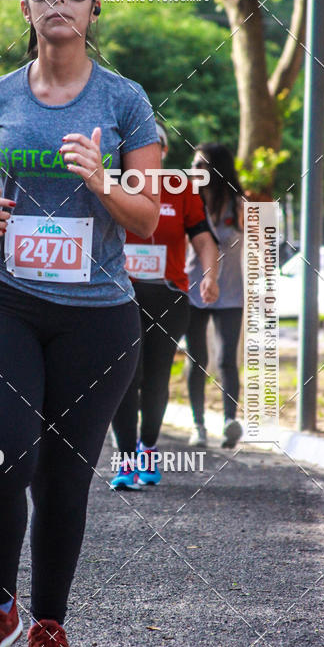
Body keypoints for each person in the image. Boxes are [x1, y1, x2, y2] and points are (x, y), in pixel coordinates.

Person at [0, 0, 161, 647]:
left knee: (65, 476)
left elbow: (149, 219)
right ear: (27, 6)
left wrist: (104, 183)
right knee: (0, 453)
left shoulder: (125, 101)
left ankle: (49, 625)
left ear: (95, 6)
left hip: (98, 317)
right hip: (3, 301)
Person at [110, 123, 219, 490]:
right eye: (139, 145)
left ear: (165, 151)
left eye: (155, 145)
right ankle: (125, 460)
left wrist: (210, 275)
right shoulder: (112, 182)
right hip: (118, 296)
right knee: (125, 376)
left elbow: (203, 238)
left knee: (155, 377)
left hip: (168, 295)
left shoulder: (182, 188)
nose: (147, 151)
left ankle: (149, 449)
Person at [185, 142, 245, 449]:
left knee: (226, 359)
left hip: (232, 292)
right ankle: (198, 426)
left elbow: (261, 245)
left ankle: (229, 423)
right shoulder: (186, 201)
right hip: (193, 290)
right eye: (193, 165)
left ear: (216, 170)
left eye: (201, 165)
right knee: (197, 359)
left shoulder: (239, 205)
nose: (194, 171)